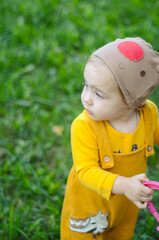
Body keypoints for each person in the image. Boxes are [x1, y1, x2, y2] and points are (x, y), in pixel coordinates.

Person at [60, 37, 159, 240]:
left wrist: (127, 189)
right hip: (88, 208)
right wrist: (125, 185)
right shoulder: (84, 126)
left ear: (131, 101)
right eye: (86, 85)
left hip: (124, 205)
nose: (86, 97)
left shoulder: (149, 113)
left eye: (99, 94)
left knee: (120, 235)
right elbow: (85, 171)